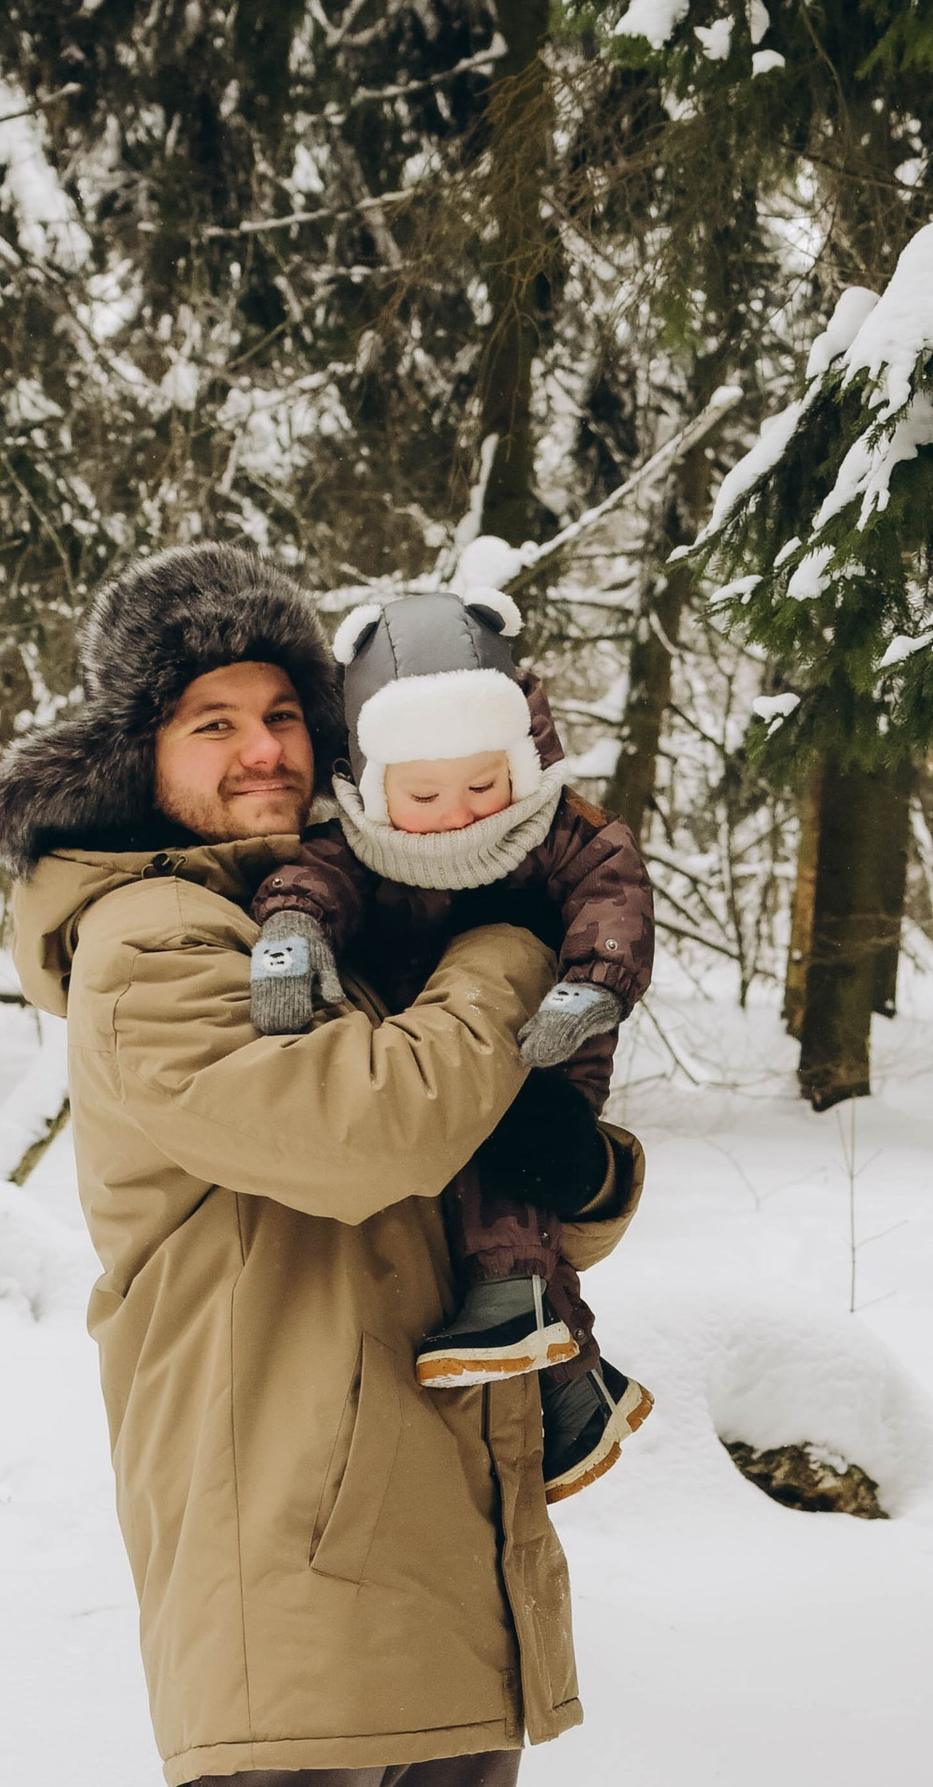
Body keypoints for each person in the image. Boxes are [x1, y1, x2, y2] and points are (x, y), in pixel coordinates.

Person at [0, 542, 642, 1787]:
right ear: (142, 757)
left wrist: (579, 1161)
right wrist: (509, 951)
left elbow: (501, 1159)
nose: (264, 750)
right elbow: (372, 1132)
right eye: (216, 725)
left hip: (436, 1443)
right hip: (281, 1465)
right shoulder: (146, 938)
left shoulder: (364, 904)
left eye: (288, 715)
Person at [244, 585, 656, 1499]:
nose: (461, 811)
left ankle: (514, 1299)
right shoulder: (360, 843)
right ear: (378, 785)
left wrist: (595, 981)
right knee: (466, 1154)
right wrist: (292, 933)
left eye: (483, 782)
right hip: (434, 1029)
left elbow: (612, 883)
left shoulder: (551, 827)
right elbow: (313, 879)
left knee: (513, 1159)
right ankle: (578, 1388)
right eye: (424, 792)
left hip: (551, 1031)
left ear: (520, 758)